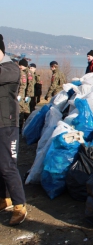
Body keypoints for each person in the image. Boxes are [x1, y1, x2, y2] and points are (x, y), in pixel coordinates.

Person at [0, 34, 27, 225]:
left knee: (7, 166)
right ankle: (4, 199)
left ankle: (20, 205)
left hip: (7, 123)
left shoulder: (10, 69)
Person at [17, 59, 34, 130]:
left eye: (21, 65)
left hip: (26, 95)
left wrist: (28, 95)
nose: (20, 67)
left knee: (23, 111)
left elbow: (30, 85)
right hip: (23, 94)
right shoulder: (23, 72)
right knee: (23, 110)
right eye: (19, 65)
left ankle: (25, 127)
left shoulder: (28, 73)